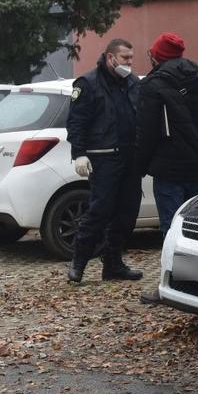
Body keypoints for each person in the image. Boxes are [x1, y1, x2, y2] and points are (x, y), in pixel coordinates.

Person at [66, 38, 143, 284]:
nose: (130, 63)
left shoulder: (132, 83)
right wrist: (79, 153)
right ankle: (78, 263)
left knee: (127, 213)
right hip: (104, 158)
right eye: (125, 58)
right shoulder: (88, 84)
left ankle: (113, 263)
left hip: (129, 157)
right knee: (99, 211)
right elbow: (76, 122)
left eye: (131, 58)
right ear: (111, 57)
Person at [134, 33, 198, 235]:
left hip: (168, 168)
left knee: (171, 227)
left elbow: (146, 132)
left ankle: (172, 266)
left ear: (158, 56)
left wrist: (139, 167)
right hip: (197, 166)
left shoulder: (152, 85)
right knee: (193, 226)